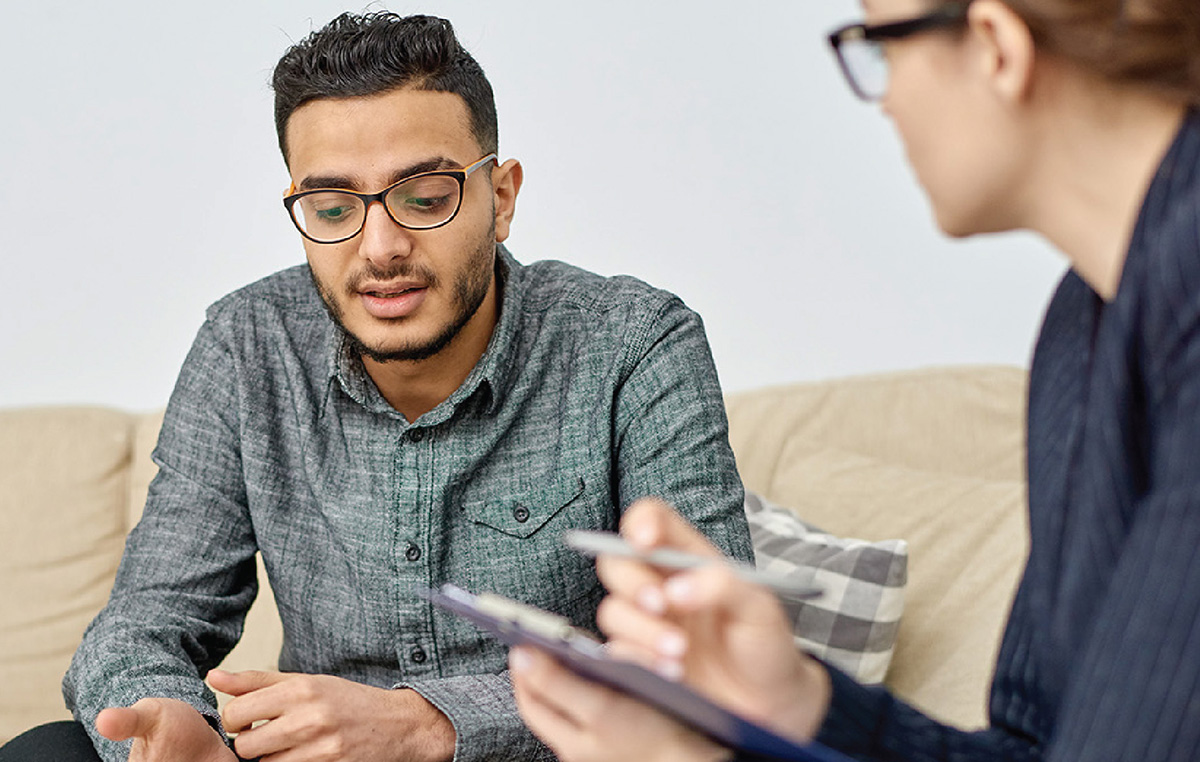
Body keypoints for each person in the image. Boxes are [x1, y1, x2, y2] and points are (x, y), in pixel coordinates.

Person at [0, 11, 753, 762]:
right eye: (333, 208)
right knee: (49, 753)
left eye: (425, 198)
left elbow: (710, 668)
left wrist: (427, 723)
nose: (381, 248)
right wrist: (173, 726)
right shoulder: (246, 344)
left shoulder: (633, 341)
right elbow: (142, 623)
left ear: (503, 198)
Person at [509, 0, 1200, 760]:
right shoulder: (1083, 326)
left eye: (879, 46)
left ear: (997, 45)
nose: (884, 100)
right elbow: (1035, 749)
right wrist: (801, 705)